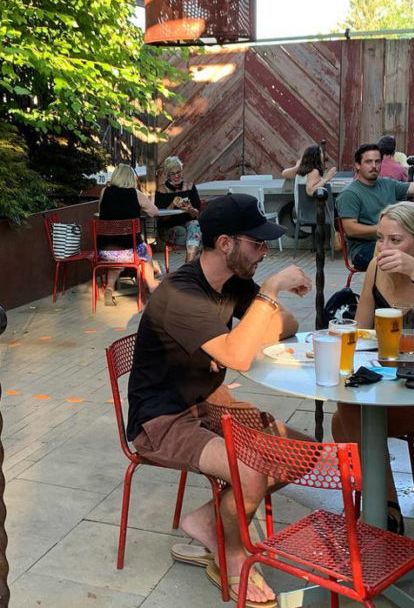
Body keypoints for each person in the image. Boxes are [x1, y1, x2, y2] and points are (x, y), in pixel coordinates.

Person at [126, 194, 311, 606]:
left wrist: (238, 335)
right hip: (162, 418)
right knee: (249, 471)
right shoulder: (182, 294)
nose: (265, 251)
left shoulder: (230, 284)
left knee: (303, 452)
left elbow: (289, 323)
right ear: (226, 244)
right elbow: (240, 356)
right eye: (257, 243)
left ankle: (208, 521)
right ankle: (230, 556)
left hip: (207, 401)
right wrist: (269, 292)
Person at [331, 201, 414, 534]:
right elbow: (360, 331)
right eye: (380, 239)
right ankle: (383, 509)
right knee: (345, 415)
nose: (384, 248)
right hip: (385, 382)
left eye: (396, 240)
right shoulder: (376, 268)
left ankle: (380, 511)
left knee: (347, 417)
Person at [336, 144, 414, 271]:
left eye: (377, 161)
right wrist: (386, 230)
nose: (374, 166)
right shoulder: (350, 193)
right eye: (368, 162)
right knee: (409, 254)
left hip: (395, 241)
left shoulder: (387, 184)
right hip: (365, 248)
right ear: (357, 165)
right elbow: (351, 229)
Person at [97, 163, 159, 305]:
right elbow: (154, 211)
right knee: (145, 250)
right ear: (131, 178)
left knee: (118, 257)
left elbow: (101, 212)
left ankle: (110, 288)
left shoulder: (104, 192)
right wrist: (140, 209)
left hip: (104, 251)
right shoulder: (135, 194)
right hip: (129, 252)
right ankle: (151, 284)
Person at [154, 156, 202, 263]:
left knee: (194, 224)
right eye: (172, 174)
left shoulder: (190, 186)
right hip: (169, 227)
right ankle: (190, 266)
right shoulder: (161, 190)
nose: (176, 176)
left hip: (189, 224)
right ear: (167, 175)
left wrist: (189, 209)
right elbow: (162, 219)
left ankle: (187, 264)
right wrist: (172, 204)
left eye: (179, 172)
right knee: (190, 233)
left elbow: (196, 213)